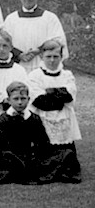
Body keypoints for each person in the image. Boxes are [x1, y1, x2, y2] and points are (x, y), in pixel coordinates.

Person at [0, 81, 81, 183]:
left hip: (32, 156)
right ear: (8, 100)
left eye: (23, 99)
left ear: (28, 100)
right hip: (12, 157)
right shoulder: (2, 120)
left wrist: (35, 153)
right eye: (16, 99)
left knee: (66, 153)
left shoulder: (34, 118)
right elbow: (1, 145)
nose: (19, 102)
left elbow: (43, 142)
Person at [27, 40, 81, 179]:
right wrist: (59, 95)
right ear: (42, 57)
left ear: (61, 57)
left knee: (67, 157)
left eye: (56, 56)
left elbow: (69, 96)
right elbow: (40, 101)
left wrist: (49, 92)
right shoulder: (34, 76)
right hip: (43, 118)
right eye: (48, 56)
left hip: (64, 119)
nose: (52, 60)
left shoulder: (67, 75)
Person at [2, 0, 68, 73]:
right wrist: (19, 55)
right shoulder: (11, 19)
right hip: (18, 65)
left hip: (42, 64)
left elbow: (58, 40)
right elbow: (4, 41)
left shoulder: (49, 17)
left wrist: (38, 50)